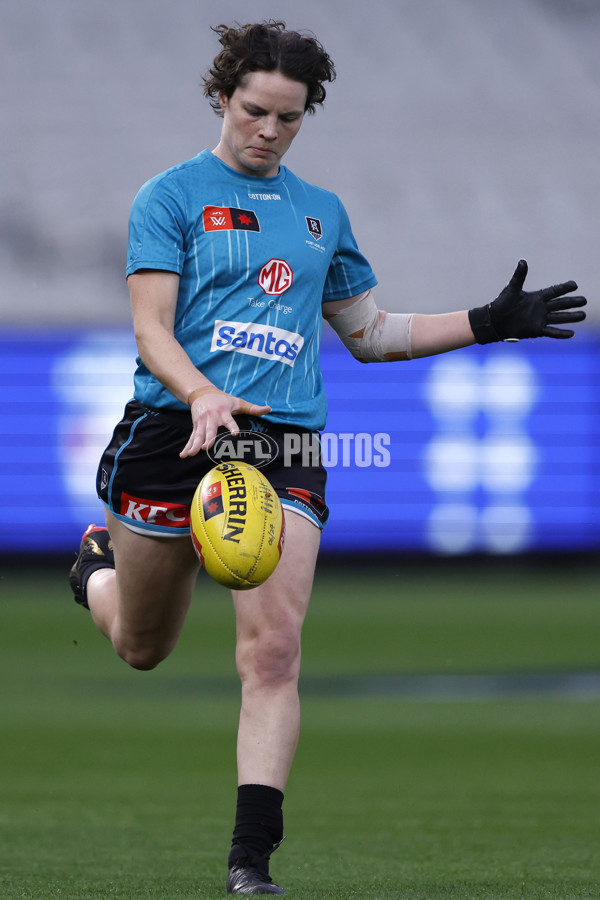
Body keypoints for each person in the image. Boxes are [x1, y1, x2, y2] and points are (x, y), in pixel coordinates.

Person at [68, 20, 587, 896]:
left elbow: (372, 334)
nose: (267, 130)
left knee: (272, 655)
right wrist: (201, 393)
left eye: (289, 117)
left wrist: (487, 324)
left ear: (308, 115)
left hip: (283, 443)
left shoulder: (320, 214)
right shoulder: (171, 197)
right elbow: (150, 329)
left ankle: (250, 861)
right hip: (174, 432)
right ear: (222, 97)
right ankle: (94, 573)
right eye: (253, 110)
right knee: (141, 648)